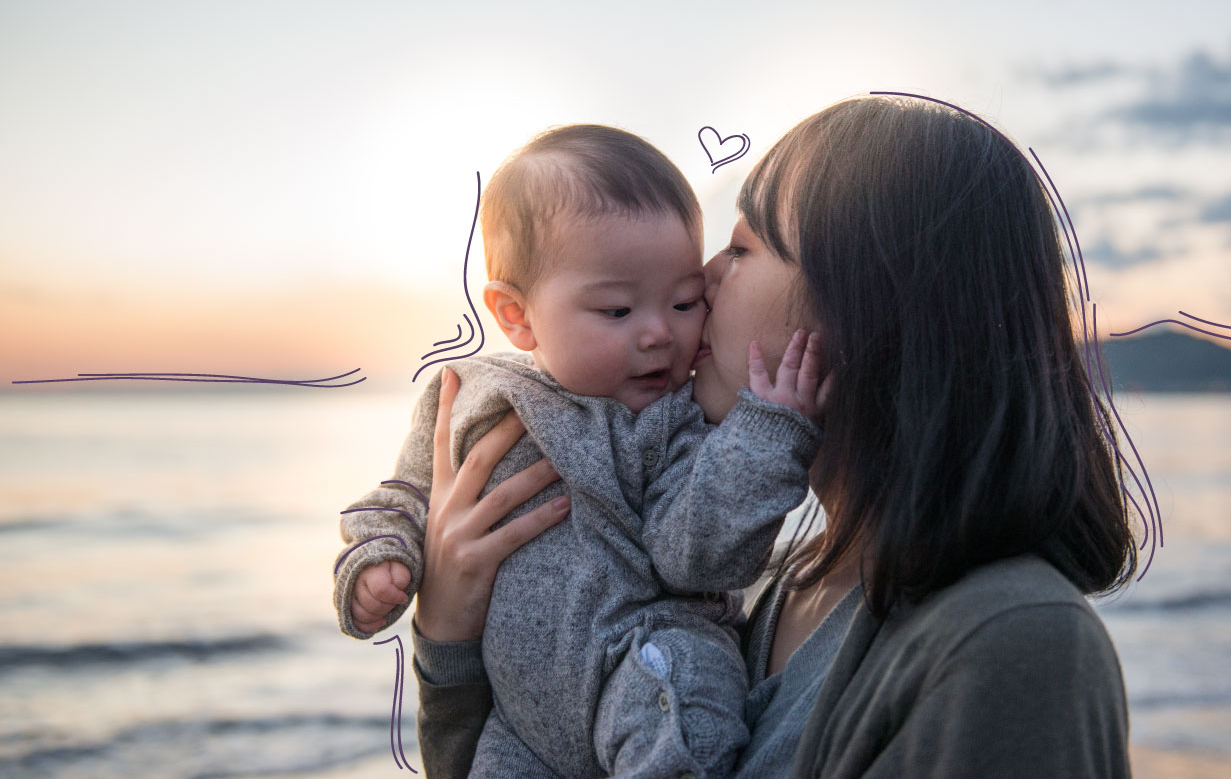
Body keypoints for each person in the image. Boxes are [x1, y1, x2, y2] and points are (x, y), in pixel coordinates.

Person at [410, 94, 1139, 778]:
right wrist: (450, 632)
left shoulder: (1015, 642)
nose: (703, 277)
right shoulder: (781, 582)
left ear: (863, 306)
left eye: (741, 247)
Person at [333, 125, 827, 778]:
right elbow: (405, 498)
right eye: (618, 311)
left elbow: (699, 555)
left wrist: (763, 438)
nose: (659, 334)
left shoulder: (679, 424)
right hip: (520, 719)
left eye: (683, 302)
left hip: (645, 657)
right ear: (517, 316)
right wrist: (377, 561)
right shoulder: (471, 397)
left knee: (681, 708)